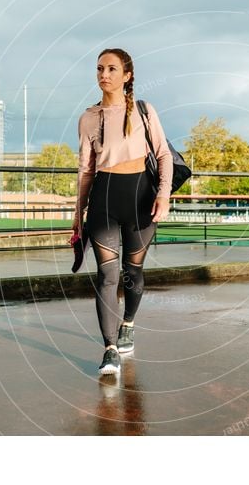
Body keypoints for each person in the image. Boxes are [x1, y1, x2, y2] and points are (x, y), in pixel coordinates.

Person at [72, 48, 173, 375]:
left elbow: (163, 155)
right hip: (103, 199)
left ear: (127, 75)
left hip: (141, 198)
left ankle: (128, 323)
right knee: (107, 275)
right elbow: (86, 171)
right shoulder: (88, 118)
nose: (104, 74)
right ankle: (110, 348)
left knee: (133, 273)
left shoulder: (145, 111)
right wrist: (77, 217)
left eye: (112, 69)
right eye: (100, 68)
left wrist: (164, 195)